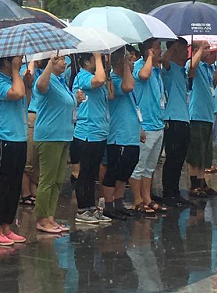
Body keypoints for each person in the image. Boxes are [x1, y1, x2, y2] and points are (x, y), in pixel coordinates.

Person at [0, 56, 32, 246]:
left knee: (13, 186)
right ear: (6, 61)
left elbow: (25, 101)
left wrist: (27, 85)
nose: (20, 59)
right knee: (0, 186)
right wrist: (16, 72)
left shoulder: (15, 79)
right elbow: (16, 94)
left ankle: (6, 226)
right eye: (16, 57)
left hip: (18, 138)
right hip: (1, 139)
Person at [33, 55, 76, 233]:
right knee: (47, 179)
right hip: (50, 135)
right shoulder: (46, 78)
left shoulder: (61, 81)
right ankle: (42, 218)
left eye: (64, 59)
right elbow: (40, 86)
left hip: (64, 135)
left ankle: (50, 216)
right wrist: (50, 63)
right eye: (60, 59)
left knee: (58, 180)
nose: (64, 62)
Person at [71, 52, 112, 224]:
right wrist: (97, 56)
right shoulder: (82, 77)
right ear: (86, 61)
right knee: (85, 172)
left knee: (92, 173)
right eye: (95, 59)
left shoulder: (96, 77)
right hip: (87, 132)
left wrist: (105, 67)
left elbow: (110, 93)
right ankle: (83, 209)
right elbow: (99, 81)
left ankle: (91, 207)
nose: (99, 61)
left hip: (100, 132)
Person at [102, 48, 142, 220]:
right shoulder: (114, 80)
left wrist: (140, 128)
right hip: (119, 135)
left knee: (125, 170)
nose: (133, 64)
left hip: (131, 133)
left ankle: (119, 201)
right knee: (114, 170)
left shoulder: (126, 78)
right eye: (130, 60)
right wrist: (125, 65)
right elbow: (128, 86)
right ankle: (109, 204)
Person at [130, 39, 167, 215]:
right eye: (157, 47)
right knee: (139, 165)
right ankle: (137, 200)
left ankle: (147, 198)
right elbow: (143, 76)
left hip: (158, 123)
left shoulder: (156, 70)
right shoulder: (139, 66)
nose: (160, 51)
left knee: (150, 166)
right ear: (147, 50)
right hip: (145, 124)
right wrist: (149, 57)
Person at [160, 38, 193, 207]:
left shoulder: (182, 70)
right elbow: (164, 59)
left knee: (180, 158)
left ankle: (175, 191)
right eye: (184, 48)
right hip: (173, 119)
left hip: (184, 118)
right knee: (172, 158)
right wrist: (173, 45)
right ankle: (168, 192)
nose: (187, 51)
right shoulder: (169, 67)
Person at [186, 42, 217, 197]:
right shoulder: (194, 64)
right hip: (197, 115)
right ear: (195, 50)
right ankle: (194, 184)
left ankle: (202, 182)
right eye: (205, 48)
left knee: (204, 152)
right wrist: (198, 52)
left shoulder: (209, 68)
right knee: (195, 151)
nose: (209, 50)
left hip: (208, 115)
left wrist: (215, 80)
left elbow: (211, 87)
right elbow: (191, 69)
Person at [20, 60, 44, 206]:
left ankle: (34, 187)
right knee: (28, 157)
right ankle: (25, 191)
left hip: (41, 115)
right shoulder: (25, 70)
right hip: (31, 114)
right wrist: (33, 60)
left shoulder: (43, 72)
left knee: (37, 157)